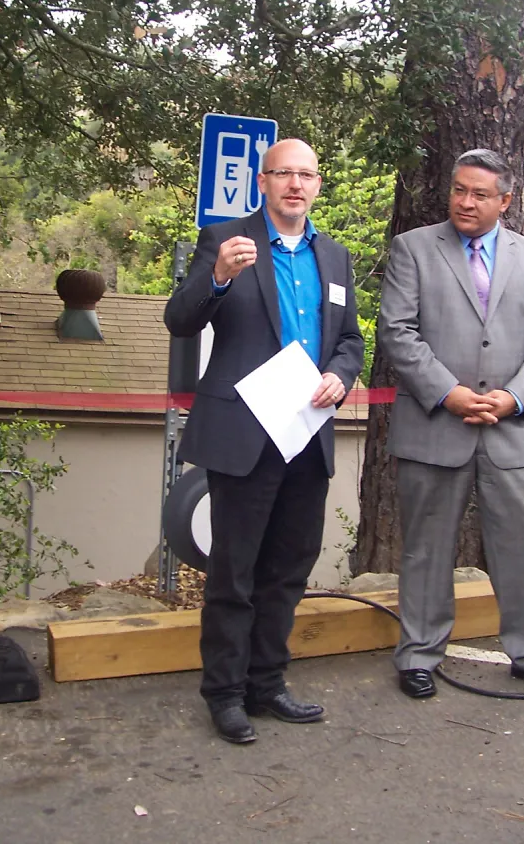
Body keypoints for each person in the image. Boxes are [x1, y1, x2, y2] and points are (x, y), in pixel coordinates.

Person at [164, 137, 364, 744]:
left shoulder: (334, 256)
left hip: (307, 432)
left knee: (288, 569)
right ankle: (224, 694)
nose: (294, 185)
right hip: (245, 433)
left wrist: (341, 375)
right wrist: (219, 277)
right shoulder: (226, 240)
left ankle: (267, 683)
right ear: (263, 181)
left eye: (306, 174)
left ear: (318, 184)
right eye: (283, 174)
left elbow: (351, 340)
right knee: (235, 571)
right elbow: (180, 319)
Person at [377, 148, 524, 698]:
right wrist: (450, 394)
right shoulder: (414, 249)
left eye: (480, 194)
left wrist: (514, 398)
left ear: (506, 201)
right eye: (459, 190)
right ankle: (418, 654)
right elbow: (397, 332)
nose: (466, 202)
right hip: (434, 426)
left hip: (512, 431)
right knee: (426, 546)